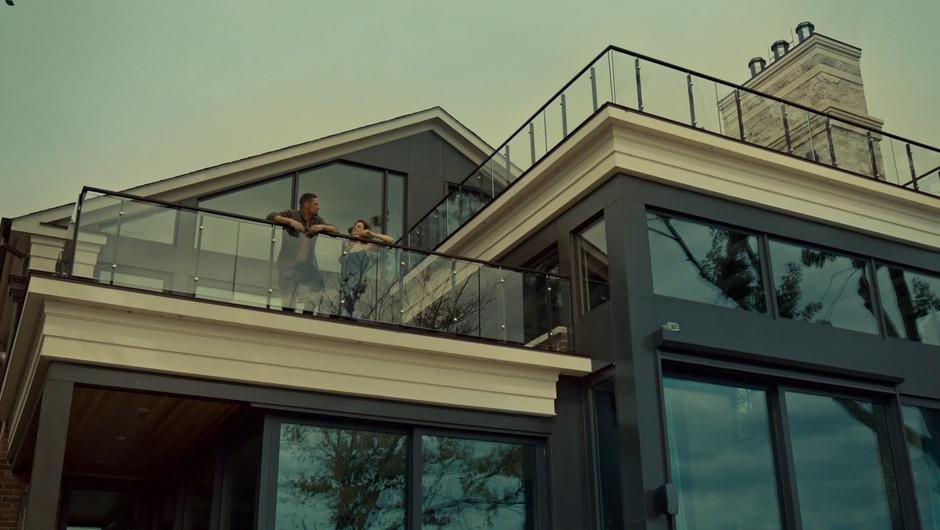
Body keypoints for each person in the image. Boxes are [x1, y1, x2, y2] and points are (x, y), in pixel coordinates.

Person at [267, 193, 338, 311]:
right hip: (288, 265)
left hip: (306, 265)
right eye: (316, 204)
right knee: (288, 303)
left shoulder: (317, 220)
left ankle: (307, 314)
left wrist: (322, 227)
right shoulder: (292, 214)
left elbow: (335, 230)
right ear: (306, 204)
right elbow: (270, 216)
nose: (318, 207)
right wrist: (289, 222)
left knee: (318, 282)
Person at [339, 219, 394, 318]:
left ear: (364, 231)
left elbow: (390, 240)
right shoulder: (346, 243)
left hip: (357, 282)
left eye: (359, 227)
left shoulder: (367, 246)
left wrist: (372, 234)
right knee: (344, 307)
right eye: (355, 226)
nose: (355, 227)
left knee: (353, 307)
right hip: (345, 281)